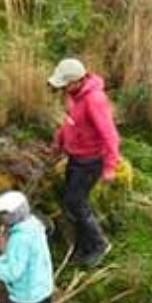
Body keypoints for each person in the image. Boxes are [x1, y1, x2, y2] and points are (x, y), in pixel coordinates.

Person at [49, 57, 120, 266]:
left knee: (76, 202)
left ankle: (99, 244)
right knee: (70, 201)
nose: (62, 88)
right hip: (75, 157)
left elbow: (111, 135)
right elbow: (69, 124)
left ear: (77, 81)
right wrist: (58, 143)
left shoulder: (94, 100)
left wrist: (109, 167)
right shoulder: (74, 96)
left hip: (90, 163)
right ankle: (82, 243)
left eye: (65, 84)